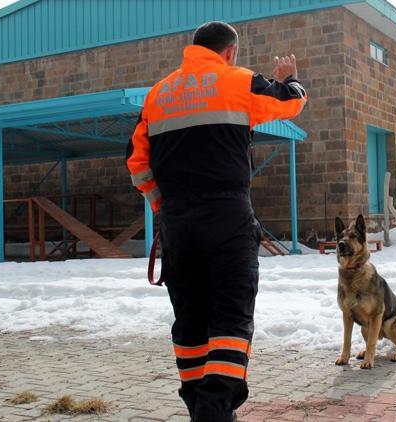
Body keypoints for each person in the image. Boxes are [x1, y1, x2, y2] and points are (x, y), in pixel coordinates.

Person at [126, 21, 307, 421]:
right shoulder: (238, 81)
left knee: (190, 318)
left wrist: (163, 206)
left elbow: (137, 163)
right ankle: (213, 407)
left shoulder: (158, 94)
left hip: (178, 223)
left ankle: (200, 405)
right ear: (230, 52)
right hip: (227, 219)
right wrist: (289, 78)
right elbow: (290, 102)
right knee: (230, 313)